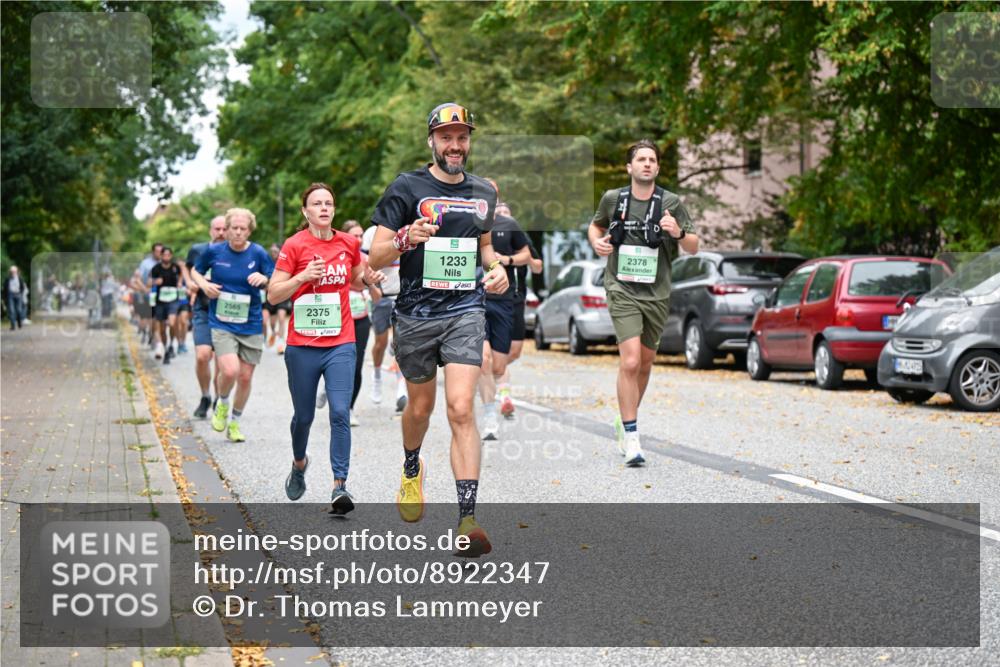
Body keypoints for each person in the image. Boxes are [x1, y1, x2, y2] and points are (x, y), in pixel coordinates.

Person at [368, 102, 508, 557]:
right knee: (421, 409)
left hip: (466, 310)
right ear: (431, 140)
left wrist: (498, 269)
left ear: (469, 141)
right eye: (446, 136)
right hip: (414, 314)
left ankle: (467, 519)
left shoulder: (484, 191)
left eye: (462, 136)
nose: (455, 144)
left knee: (461, 408)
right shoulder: (406, 187)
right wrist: (408, 237)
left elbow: (485, 249)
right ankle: (412, 466)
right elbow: (377, 256)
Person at [268, 184, 384, 514]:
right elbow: (274, 295)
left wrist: (369, 277)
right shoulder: (294, 246)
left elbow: (359, 278)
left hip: (340, 341)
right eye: (316, 204)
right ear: (305, 211)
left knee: (339, 411)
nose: (324, 208)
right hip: (303, 345)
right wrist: (303, 276)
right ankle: (299, 462)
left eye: (329, 203)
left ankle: (340, 486)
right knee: (303, 417)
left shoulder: (348, 243)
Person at [588, 139, 699, 467]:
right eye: (641, 159)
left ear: (658, 167)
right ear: (630, 167)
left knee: (647, 363)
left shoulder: (671, 202)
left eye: (652, 160)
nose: (647, 164)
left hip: (657, 292)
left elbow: (693, 245)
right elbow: (595, 226)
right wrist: (598, 243)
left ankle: (625, 420)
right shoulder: (613, 199)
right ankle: (633, 436)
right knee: (632, 361)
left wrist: (677, 232)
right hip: (621, 288)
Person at [190, 208, 274, 443]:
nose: (238, 233)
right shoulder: (214, 251)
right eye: (234, 228)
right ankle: (222, 402)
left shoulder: (258, 253)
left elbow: (275, 278)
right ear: (226, 230)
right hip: (221, 322)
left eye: (243, 229)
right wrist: (203, 285)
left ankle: (235, 423)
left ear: (249, 230)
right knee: (229, 371)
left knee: (246, 377)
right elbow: (194, 271)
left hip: (251, 322)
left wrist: (265, 280)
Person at [478, 189, 532, 441]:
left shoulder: (508, 224)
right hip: (474, 300)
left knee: (499, 365)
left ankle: (498, 396)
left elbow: (526, 256)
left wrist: (506, 261)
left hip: (502, 300)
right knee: (484, 360)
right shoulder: (465, 221)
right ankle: (489, 418)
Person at [317, 220, 375, 429]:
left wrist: (372, 284)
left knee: (357, 364)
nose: (358, 240)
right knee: (338, 362)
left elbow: (373, 289)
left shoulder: (367, 259)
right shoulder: (336, 255)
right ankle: (329, 387)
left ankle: (348, 408)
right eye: (354, 236)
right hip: (338, 316)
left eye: (361, 235)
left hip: (361, 316)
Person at [495, 202, 544, 419]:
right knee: (501, 351)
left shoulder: (519, 238)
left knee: (514, 351)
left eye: (507, 213)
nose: (504, 216)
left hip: (517, 299)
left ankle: (489, 370)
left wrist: (514, 260)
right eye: (500, 213)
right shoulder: (489, 239)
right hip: (496, 300)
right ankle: (504, 393)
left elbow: (538, 266)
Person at [184, 215, 227, 418]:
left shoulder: (235, 253)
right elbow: (188, 268)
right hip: (202, 308)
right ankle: (205, 396)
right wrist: (190, 283)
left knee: (221, 359)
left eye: (223, 229)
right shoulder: (199, 250)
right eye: (217, 229)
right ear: (211, 230)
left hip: (227, 310)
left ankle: (219, 398)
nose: (220, 233)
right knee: (202, 356)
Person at [361, 224, 407, 412]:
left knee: (401, 343)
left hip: (403, 294)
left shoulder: (409, 228)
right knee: (380, 342)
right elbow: (365, 262)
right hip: (382, 294)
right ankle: (377, 376)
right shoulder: (372, 233)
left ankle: (401, 389)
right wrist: (371, 287)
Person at [150, 247, 183, 364]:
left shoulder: (175, 267)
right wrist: (155, 282)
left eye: (169, 255)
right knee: (163, 329)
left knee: (172, 322)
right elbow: (149, 281)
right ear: (161, 256)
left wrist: (179, 282)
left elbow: (181, 275)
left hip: (173, 299)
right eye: (164, 255)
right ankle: (165, 348)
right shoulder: (156, 269)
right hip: (160, 301)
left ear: (171, 256)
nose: (166, 257)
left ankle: (171, 344)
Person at [133, 243, 163, 348]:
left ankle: (153, 335)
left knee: (158, 318)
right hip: (148, 294)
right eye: (157, 251)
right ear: (153, 252)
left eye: (161, 251)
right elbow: (138, 279)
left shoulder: (165, 262)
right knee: (150, 317)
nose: (160, 253)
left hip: (162, 295)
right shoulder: (145, 263)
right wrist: (145, 290)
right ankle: (152, 336)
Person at [264, 244, 292, 354]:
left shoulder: (285, 261)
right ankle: (272, 334)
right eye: (272, 251)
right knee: (269, 321)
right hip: (270, 296)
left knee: (281, 317)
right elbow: (265, 277)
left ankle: (280, 343)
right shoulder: (267, 262)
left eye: (276, 251)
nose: (273, 253)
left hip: (283, 295)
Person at [3, 266, 26, 330]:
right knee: (11, 310)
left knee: (19, 310)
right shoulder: (7, 279)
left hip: (18, 295)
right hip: (10, 295)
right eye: (11, 272)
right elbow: (5, 289)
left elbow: (22, 287)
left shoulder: (20, 278)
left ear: (16, 272)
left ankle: (19, 322)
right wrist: (4, 297)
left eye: (13, 272)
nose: (12, 273)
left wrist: (21, 293)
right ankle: (13, 325)